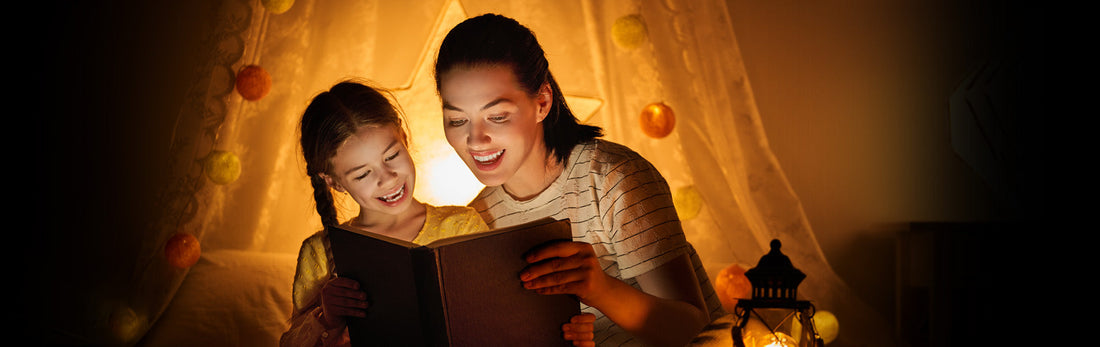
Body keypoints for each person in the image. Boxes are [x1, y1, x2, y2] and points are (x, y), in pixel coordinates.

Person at [434, 14, 726, 347]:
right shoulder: (477, 221)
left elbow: (693, 329)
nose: (475, 139)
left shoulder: (614, 180)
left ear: (542, 102)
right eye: (457, 120)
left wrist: (600, 289)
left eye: (497, 116)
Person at [280, 80, 593, 346]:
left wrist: (562, 329)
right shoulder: (321, 252)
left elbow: (503, 317)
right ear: (334, 182)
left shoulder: (462, 225)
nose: (387, 178)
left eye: (392, 156)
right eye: (362, 174)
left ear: (403, 137)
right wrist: (326, 316)